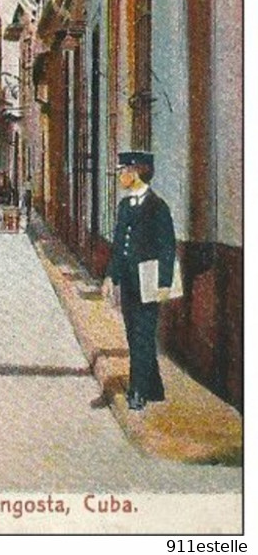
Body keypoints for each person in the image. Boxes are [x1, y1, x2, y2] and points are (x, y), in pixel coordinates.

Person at [102, 150, 177, 412]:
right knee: (134, 335)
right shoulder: (125, 205)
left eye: (123, 171)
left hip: (149, 280)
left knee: (143, 336)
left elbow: (167, 246)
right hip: (129, 284)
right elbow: (118, 245)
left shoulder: (157, 206)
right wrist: (111, 276)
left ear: (137, 172)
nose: (120, 175)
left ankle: (138, 391)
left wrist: (165, 283)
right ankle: (154, 387)